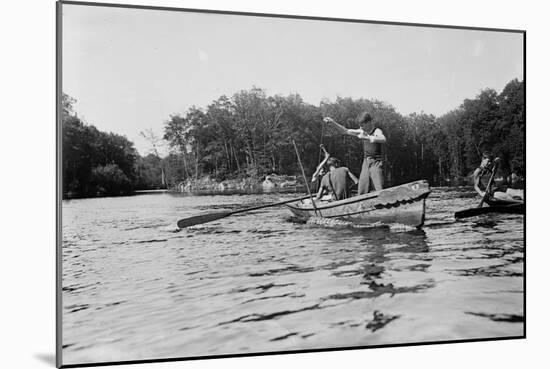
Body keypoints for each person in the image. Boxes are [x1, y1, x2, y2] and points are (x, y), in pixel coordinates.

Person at [323, 112, 386, 195]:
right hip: (366, 162)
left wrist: (367, 137)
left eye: (362, 125)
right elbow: (345, 131)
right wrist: (333, 122)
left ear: (369, 123)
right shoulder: (361, 131)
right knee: (362, 187)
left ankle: (384, 201)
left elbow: (383, 139)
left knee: (379, 186)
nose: (361, 127)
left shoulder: (376, 131)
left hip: (376, 162)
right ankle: (361, 205)